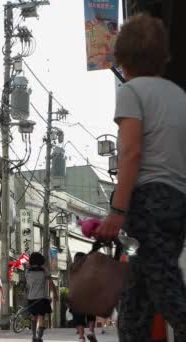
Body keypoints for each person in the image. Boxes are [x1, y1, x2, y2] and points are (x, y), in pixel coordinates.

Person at [94, 14, 186, 342]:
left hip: (149, 200)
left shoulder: (132, 91)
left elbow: (131, 152)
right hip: (178, 201)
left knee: (166, 290)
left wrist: (117, 212)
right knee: (136, 299)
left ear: (123, 58)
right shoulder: (179, 96)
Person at [25, 252, 57, 342]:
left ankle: (34, 336)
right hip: (41, 298)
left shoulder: (27, 271)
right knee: (41, 317)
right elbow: (51, 283)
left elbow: (28, 285)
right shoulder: (44, 270)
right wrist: (55, 294)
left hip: (31, 297)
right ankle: (39, 337)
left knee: (33, 317)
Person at [70, 252, 97, 342]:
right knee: (91, 315)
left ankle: (81, 337)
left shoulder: (72, 268)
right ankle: (90, 331)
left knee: (79, 317)